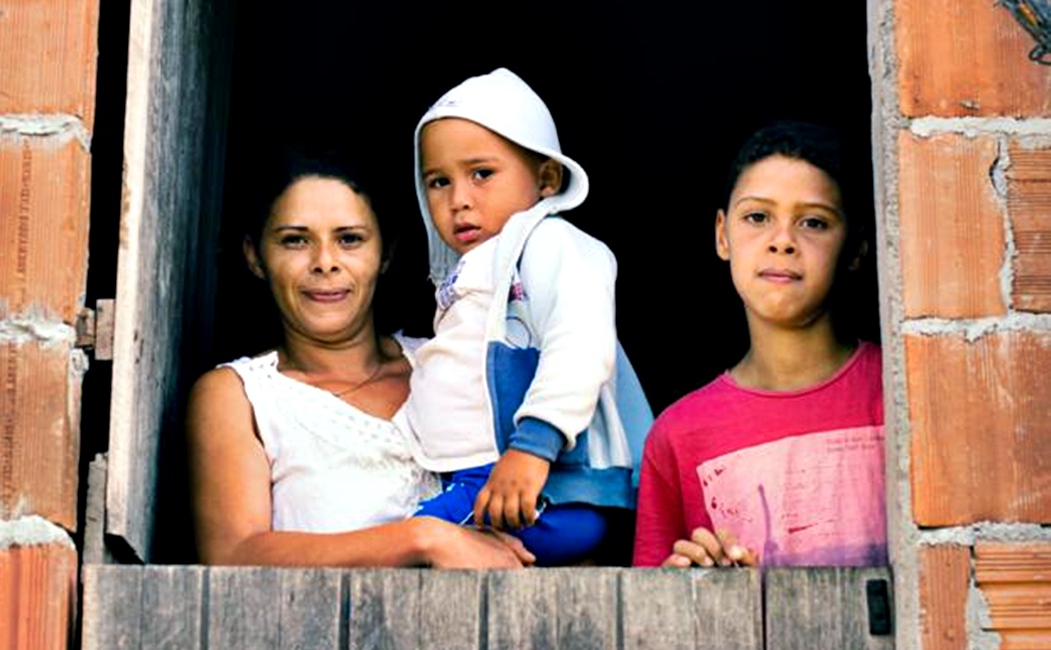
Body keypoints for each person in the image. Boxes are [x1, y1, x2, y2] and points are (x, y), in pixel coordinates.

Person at [186, 151, 536, 568]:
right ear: (255, 256)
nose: (325, 262)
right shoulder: (242, 396)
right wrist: (422, 538)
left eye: (349, 239)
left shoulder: (448, 360)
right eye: (295, 240)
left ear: (385, 253)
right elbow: (233, 554)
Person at [399, 68, 652, 566]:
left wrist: (533, 448)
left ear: (546, 178)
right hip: (487, 482)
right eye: (438, 182)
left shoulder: (553, 243)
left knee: (404, 546)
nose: (459, 199)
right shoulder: (475, 270)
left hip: (547, 487)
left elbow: (581, 343)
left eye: (481, 174)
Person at [632, 121, 886, 569]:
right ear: (722, 235)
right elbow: (649, 619)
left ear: (857, 248)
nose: (782, 241)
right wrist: (685, 583)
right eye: (757, 217)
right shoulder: (678, 435)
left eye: (813, 222)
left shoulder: (900, 394)